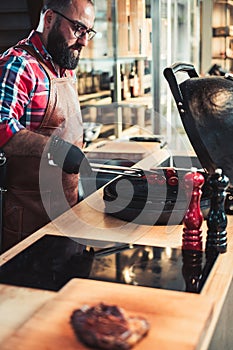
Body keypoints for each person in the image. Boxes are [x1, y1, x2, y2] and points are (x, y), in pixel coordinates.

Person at [0, 0, 96, 252]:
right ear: (50, 18)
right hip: (30, 222)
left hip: (67, 214)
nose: (84, 41)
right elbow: (1, 126)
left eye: (88, 32)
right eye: (78, 29)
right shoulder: (19, 65)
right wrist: (57, 150)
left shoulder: (64, 67)